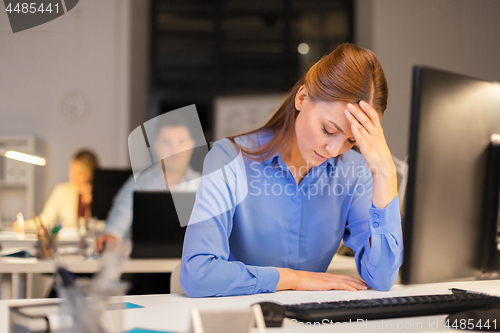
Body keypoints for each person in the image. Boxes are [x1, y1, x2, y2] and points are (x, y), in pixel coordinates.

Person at [180, 43, 403, 297]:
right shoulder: (228, 160)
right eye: (329, 130)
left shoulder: (356, 173)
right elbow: (198, 274)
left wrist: (385, 174)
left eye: (351, 141)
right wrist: (293, 279)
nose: (334, 149)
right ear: (302, 98)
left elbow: (382, 277)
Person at [96, 114, 202, 251]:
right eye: (167, 143)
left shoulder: (204, 186)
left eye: (181, 142)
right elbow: (114, 229)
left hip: (191, 269)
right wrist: (109, 238)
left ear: (191, 145)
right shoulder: (138, 184)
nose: (174, 151)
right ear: (156, 146)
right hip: (143, 270)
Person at [13, 149, 99, 231]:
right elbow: (46, 220)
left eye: (81, 172)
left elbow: (106, 224)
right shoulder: (62, 190)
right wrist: (26, 225)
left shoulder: (102, 195)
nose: (73, 175)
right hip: (70, 243)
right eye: (73, 170)